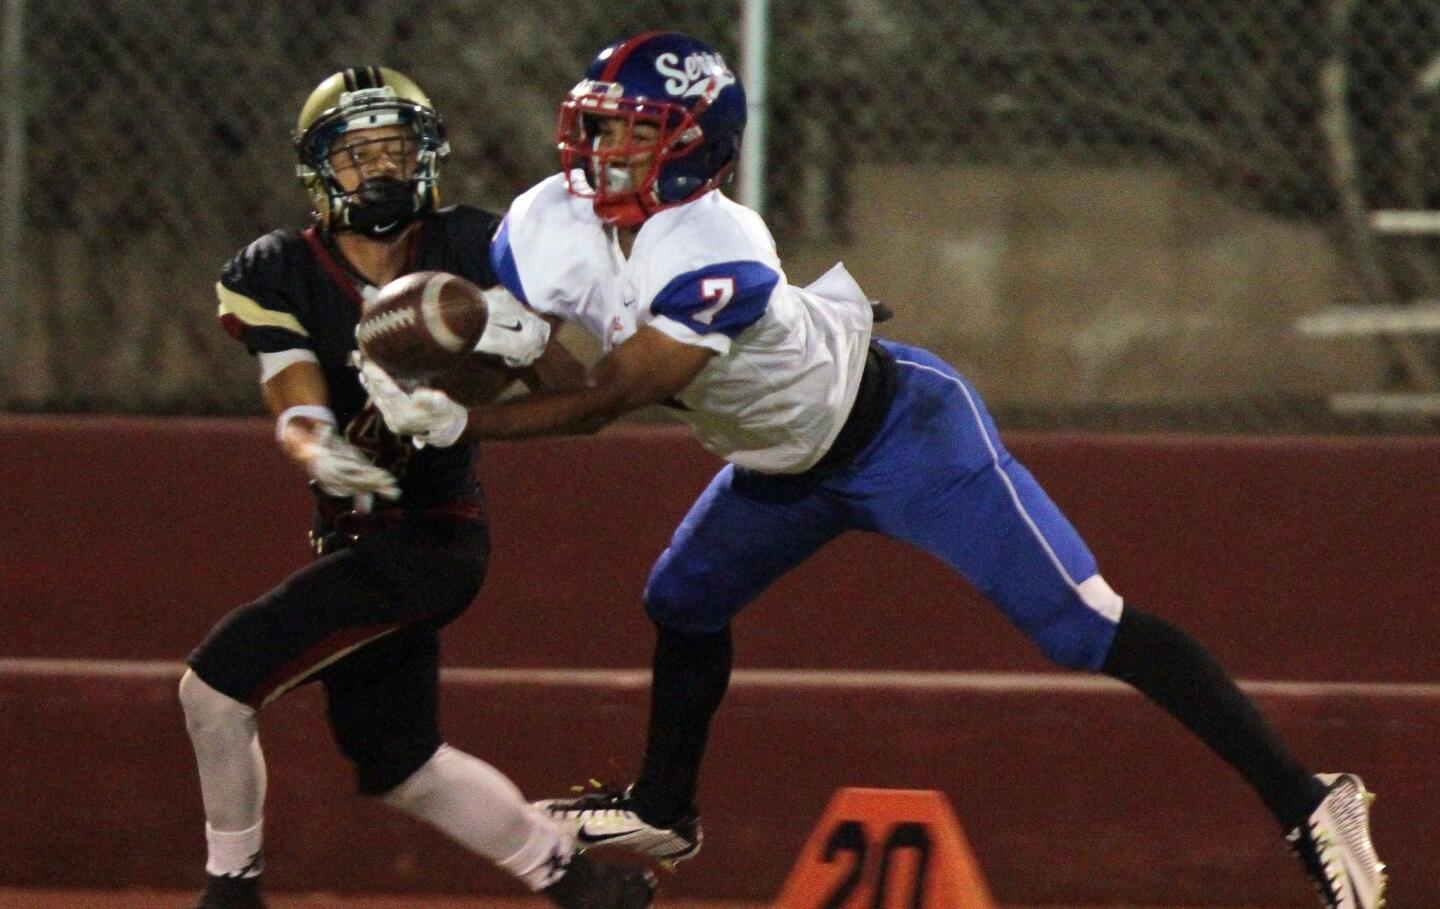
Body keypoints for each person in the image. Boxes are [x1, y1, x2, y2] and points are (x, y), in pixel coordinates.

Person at [358, 34, 1387, 909]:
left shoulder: (717, 241)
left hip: (901, 436)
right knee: (681, 600)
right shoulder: (548, 219)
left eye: (632, 131)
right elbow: (520, 346)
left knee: (1084, 626)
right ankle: (664, 812)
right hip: (777, 463)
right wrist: (427, 367)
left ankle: (1310, 799)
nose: (602, 149)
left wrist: (463, 424)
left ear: (693, 149)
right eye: (599, 125)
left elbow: (604, 400)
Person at [180, 65, 653, 909]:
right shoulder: (280, 268)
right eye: (357, 154)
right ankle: (580, 883)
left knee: (215, 685)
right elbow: (290, 386)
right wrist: (313, 443)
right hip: (358, 538)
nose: (380, 169)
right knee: (403, 764)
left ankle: (231, 890)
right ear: (322, 169)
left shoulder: (475, 244)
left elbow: (572, 390)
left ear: (428, 156)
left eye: (396, 148)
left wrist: (511, 343)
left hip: (430, 535)